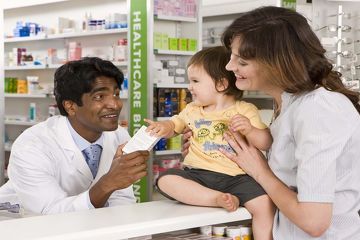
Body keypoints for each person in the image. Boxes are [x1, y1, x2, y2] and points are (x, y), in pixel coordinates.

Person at [208, 6, 360, 240]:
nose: (229, 67)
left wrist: (259, 170)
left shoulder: (317, 110)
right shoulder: (288, 105)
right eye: (231, 57)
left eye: (242, 61)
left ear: (276, 63)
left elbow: (314, 221)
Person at [146, 46, 275, 240]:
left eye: (195, 81)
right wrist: (163, 128)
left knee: (265, 204)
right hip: (198, 175)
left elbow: (266, 142)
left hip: (238, 177)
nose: (189, 87)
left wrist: (250, 130)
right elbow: (175, 124)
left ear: (221, 84)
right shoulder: (192, 109)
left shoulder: (245, 110)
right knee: (165, 180)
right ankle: (216, 199)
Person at [0, 57, 149, 214]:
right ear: (70, 106)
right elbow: (49, 213)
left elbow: (121, 198)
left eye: (116, 94)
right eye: (99, 97)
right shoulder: (32, 147)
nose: (115, 104)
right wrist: (108, 184)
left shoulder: (119, 135)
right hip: (23, 226)